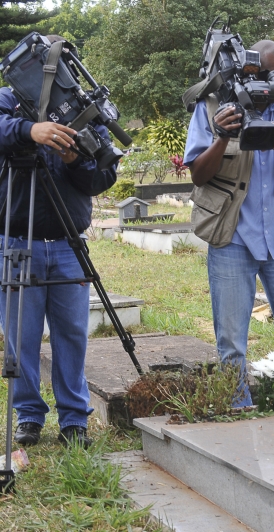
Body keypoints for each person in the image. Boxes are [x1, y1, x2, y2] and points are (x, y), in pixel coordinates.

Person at [184, 40, 274, 407]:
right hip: (232, 238)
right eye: (273, 74)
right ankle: (237, 406)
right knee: (231, 341)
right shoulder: (212, 107)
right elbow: (199, 175)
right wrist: (222, 136)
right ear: (248, 72)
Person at [1, 36, 117, 448]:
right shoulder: (9, 101)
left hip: (68, 240)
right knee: (21, 334)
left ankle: (74, 419)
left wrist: (75, 159)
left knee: (71, 333)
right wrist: (32, 130)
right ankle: (28, 415)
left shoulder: (83, 108)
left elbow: (103, 177)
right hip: (17, 237)